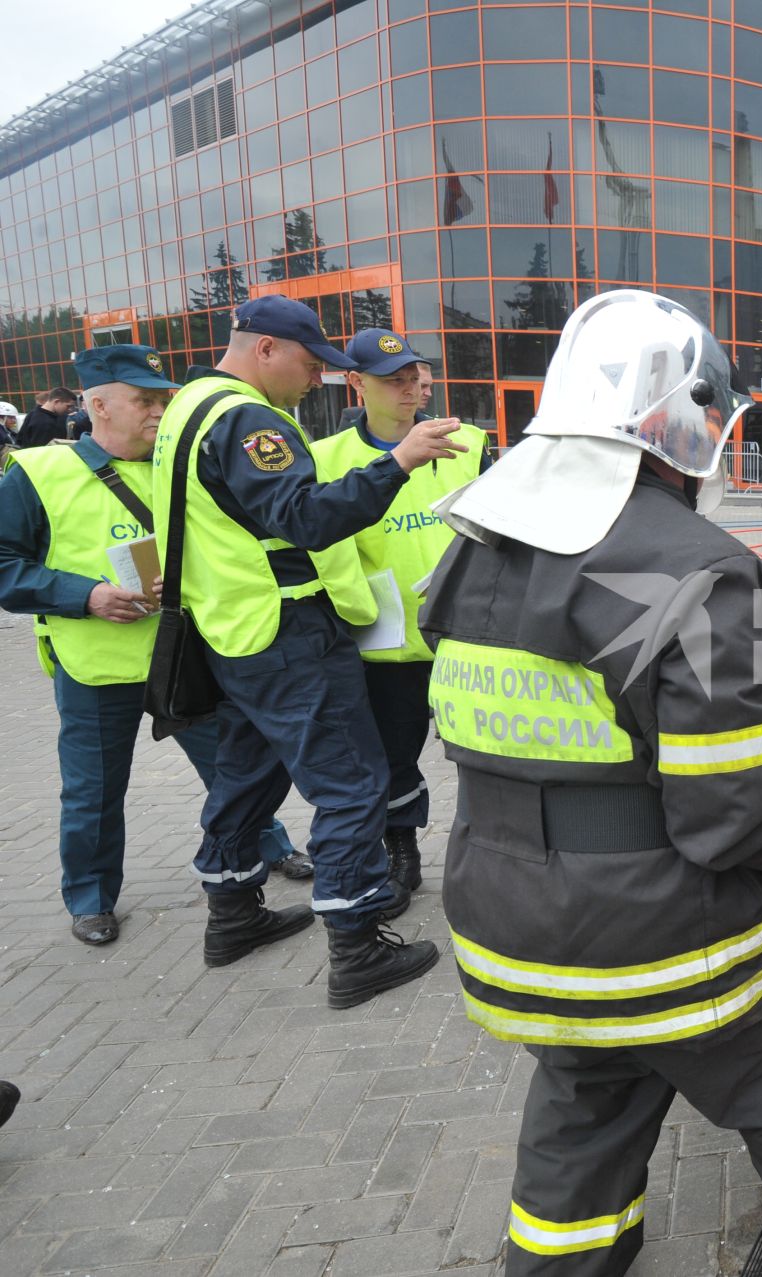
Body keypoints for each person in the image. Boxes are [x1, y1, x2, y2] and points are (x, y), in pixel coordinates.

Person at [421, 290, 762, 1277]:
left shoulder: (470, 550)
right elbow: (732, 807)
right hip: (664, 939)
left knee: (588, 1080)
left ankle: (565, 1258)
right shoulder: (701, 568)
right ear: (681, 421)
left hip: (510, 925)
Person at [151, 295, 463, 1002]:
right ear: (265, 348)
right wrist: (400, 463)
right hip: (286, 630)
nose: (315, 380)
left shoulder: (187, 407)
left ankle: (232, 914)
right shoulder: (249, 418)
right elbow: (307, 518)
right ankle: (356, 945)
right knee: (352, 783)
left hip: (230, 631)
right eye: (307, 363)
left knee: (249, 774)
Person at [0, 345, 311, 948]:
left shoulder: (180, 461)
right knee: (93, 788)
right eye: (144, 400)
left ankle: (268, 848)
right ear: (97, 406)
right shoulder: (38, 473)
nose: (159, 410)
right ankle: (90, 898)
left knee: (234, 768)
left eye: (163, 398)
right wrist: (84, 595)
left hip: (188, 654)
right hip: (97, 666)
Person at [311, 328, 490, 895]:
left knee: (487, 750)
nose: (410, 390)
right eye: (395, 381)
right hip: (385, 641)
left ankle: (495, 848)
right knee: (393, 757)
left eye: (415, 378)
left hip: (466, 634)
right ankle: (402, 852)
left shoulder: (469, 442)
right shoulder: (325, 459)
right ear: (358, 384)